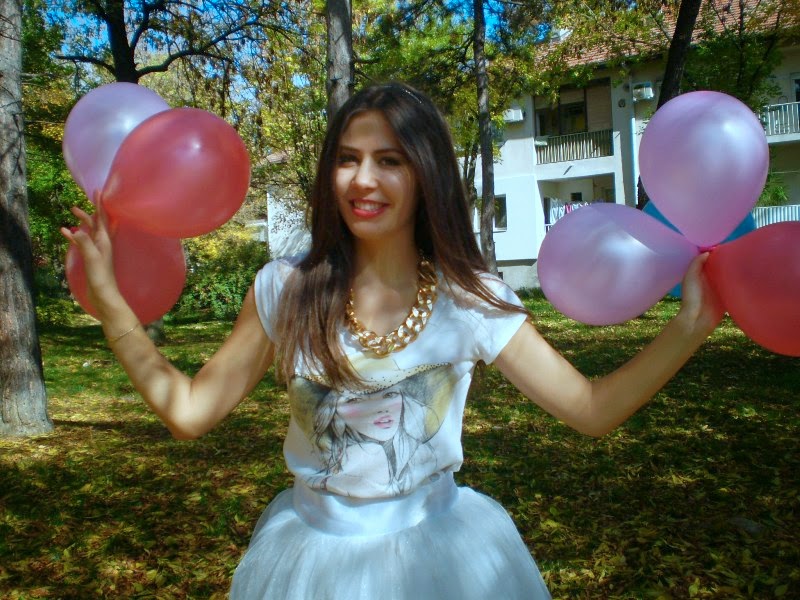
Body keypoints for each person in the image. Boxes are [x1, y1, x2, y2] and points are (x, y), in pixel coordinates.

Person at [62, 82, 723, 599]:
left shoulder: (471, 299)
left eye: (389, 161)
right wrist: (112, 302)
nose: (363, 180)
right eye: (347, 160)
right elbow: (188, 412)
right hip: (309, 566)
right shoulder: (284, 290)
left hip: (445, 564)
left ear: (425, 173)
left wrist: (689, 326)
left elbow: (591, 408)